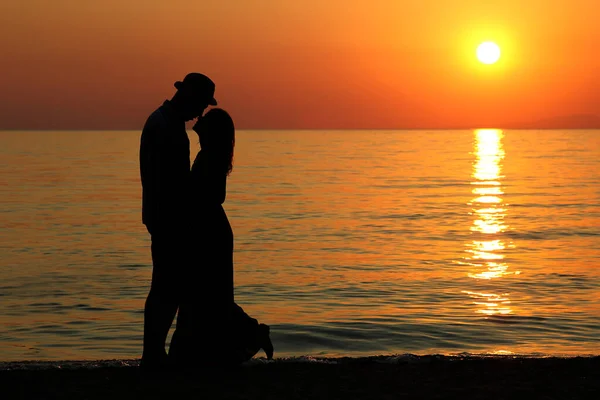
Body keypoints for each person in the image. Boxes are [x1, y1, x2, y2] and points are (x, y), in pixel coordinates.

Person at [168, 108, 274, 367]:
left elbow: (214, 195)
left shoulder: (210, 156)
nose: (199, 120)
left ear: (212, 131)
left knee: (208, 295)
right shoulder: (210, 154)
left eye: (205, 120)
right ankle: (233, 340)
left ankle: (250, 333)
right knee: (209, 295)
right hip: (208, 228)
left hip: (209, 231)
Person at [139, 73, 217, 369]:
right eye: (200, 106)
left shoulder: (163, 122)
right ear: (189, 98)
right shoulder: (166, 127)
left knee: (166, 286)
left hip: (163, 216)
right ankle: (153, 353)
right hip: (167, 218)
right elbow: (168, 181)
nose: (199, 115)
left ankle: (155, 352)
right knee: (165, 287)